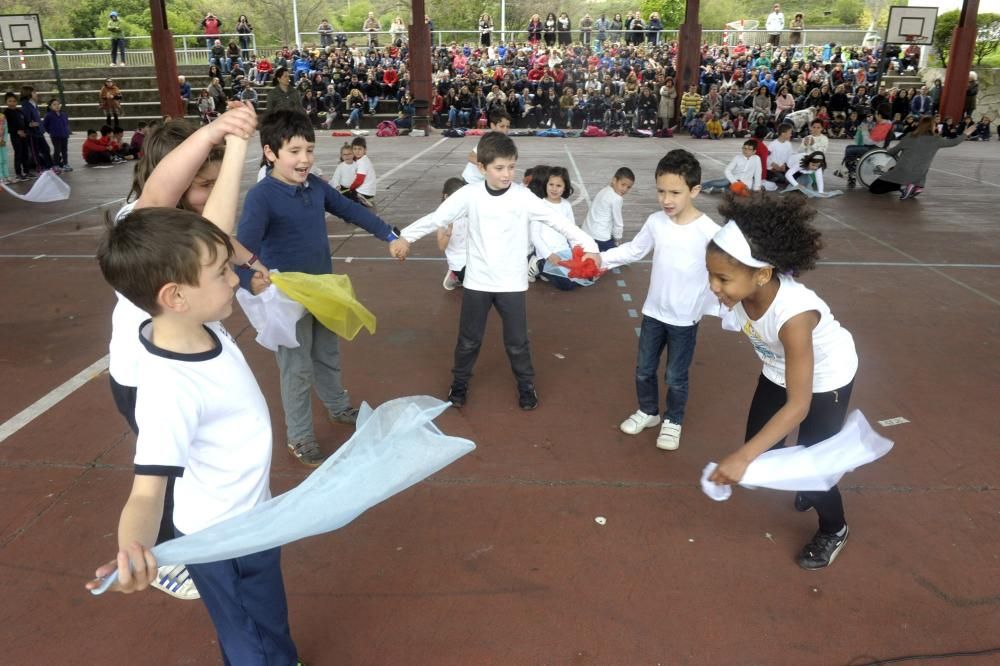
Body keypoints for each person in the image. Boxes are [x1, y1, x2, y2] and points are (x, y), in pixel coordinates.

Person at [87, 205, 300, 664]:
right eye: (222, 272)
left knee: (257, 620)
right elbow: (146, 494)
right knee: (253, 632)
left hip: (249, 519)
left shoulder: (203, 324)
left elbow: (215, 226)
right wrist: (133, 549)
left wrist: (233, 137)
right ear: (176, 296)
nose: (234, 278)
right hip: (227, 539)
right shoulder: (170, 388)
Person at [102, 108, 262, 601]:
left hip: (186, 363)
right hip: (146, 377)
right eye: (201, 182)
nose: (211, 193)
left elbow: (220, 232)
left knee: (193, 463)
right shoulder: (143, 227)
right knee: (167, 470)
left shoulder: (187, 234)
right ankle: (174, 552)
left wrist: (252, 263)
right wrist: (220, 132)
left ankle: (192, 540)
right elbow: (165, 199)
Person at [237, 111, 406, 465]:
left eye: (309, 150)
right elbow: (244, 247)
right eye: (295, 151)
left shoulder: (315, 186)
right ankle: (299, 436)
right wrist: (246, 279)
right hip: (287, 296)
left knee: (327, 352)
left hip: (324, 288)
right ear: (270, 152)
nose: (304, 160)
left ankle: (337, 406)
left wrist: (388, 234)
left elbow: (350, 209)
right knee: (296, 368)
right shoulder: (262, 196)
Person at [393, 132, 599, 410]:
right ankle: (460, 384)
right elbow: (438, 217)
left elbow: (559, 222)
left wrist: (588, 245)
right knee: (468, 341)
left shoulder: (523, 197)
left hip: (511, 284)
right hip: (478, 282)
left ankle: (526, 386)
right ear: (482, 168)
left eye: (512, 167)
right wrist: (405, 237)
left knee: (517, 343)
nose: (507, 174)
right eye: (499, 168)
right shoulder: (469, 194)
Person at [706, 194, 859, 570]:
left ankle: (834, 528)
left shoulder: (794, 316)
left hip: (827, 379)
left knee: (811, 469)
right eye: (710, 275)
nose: (713, 286)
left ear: (762, 273)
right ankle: (802, 481)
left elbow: (799, 405)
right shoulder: (739, 291)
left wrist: (741, 459)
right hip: (778, 368)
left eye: (722, 278)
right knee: (762, 446)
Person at [595, 150, 720, 451]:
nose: (666, 199)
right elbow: (633, 251)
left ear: (695, 191)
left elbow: (732, 268)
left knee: (676, 376)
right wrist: (598, 258)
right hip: (654, 312)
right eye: (661, 191)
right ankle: (649, 411)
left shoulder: (710, 231)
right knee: (643, 369)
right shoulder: (656, 222)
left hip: (684, 319)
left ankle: (673, 420)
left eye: (675, 192)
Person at [868, 116, 975, 199]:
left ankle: (903, 186)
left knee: (874, 188)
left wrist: (887, 151)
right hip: (918, 174)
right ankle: (915, 185)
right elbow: (954, 142)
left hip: (901, 171)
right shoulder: (936, 140)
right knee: (910, 175)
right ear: (932, 127)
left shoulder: (910, 136)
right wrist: (965, 134)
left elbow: (893, 151)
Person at [526, 165, 589, 291]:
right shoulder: (539, 205)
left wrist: (577, 252)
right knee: (566, 285)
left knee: (586, 276)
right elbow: (535, 237)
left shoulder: (566, 206)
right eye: (551, 184)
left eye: (558, 185)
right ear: (546, 184)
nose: (554, 189)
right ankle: (537, 265)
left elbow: (572, 232)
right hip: (546, 254)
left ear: (565, 187)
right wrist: (549, 255)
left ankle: (547, 272)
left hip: (564, 252)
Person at [837, 104, 892, 187]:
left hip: (874, 149)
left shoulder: (884, 126)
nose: (875, 116)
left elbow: (868, 141)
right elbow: (875, 134)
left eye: (876, 114)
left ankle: (852, 173)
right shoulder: (886, 124)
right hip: (876, 147)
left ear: (880, 115)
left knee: (849, 150)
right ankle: (852, 171)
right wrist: (868, 124)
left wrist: (864, 129)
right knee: (849, 148)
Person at [583, 167, 634, 251]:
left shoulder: (604, 190)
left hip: (586, 233)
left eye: (628, 187)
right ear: (614, 180)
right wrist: (618, 239)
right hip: (600, 238)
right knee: (619, 256)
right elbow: (618, 222)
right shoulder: (617, 198)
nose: (625, 189)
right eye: (623, 185)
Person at [462, 108, 512, 186]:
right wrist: (487, 166)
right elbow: (471, 156)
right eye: (502, 126)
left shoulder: (504, 142)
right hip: (471, 181)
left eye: (507, 126)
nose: (505, 130)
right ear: (493, 125)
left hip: (485, 182)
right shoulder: (488, 140)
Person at [437, 177, 469, 290]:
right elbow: (441, 246)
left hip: (475, 257)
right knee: (480, 285)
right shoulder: (442, 218)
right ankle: (455, 274)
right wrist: (448, 232)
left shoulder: (468, 211)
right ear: (446, 197)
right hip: (459, 262)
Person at [20, 86, 53, 172]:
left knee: (46, 149)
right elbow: (25, 120)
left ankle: (50, 167)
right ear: (28, 94)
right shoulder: (26, 105)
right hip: (32, 133)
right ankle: (39, 168)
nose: (36, 94)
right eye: (34, 92)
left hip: (39, 131)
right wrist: (30, 124)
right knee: (35, 152)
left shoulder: (34, 104)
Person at [3, 92, 30, 180]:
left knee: (25, 153)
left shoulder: (19, 111)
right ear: (6, 102)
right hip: (15, 136)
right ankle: (18, 173)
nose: (12, 103)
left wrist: (26, 131)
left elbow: (25, 123)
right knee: (18, 153)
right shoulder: (5, 113)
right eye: (10, 101)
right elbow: (7, 127)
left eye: (14, 101)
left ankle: (27, 171)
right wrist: (17, 131)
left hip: (24, 136)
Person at [42, 99, 71, 172]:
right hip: (55, 136)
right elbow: (45, 125)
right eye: (54, 104)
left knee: (64, 150)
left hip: (64, 135)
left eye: (58, 104)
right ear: (50, 106)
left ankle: (65, 164)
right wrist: (51, 132)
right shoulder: (48, 115)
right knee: (57, 150)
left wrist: (67, 131)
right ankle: (56, 165)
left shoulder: (64, 114)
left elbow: (66, 124)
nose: (57, 106)